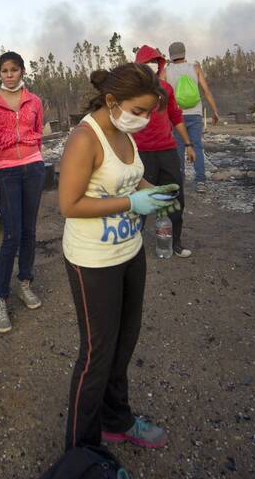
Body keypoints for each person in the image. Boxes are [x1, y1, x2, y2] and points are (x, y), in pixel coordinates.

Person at [58, 62, 180, 454]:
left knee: (124, 344)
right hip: (92, 261)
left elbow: (130, 176)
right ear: (112, 101)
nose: (144, 120)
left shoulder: (126, 132)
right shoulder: (85, 138)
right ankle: (81, 453)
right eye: (139, 110)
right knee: (97, 355)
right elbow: (69, 204)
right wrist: (132, 201)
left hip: (130, 251)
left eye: (149, 112)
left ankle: (117, 421)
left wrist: (154, 192)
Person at [0, 51, 45, 333]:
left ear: (22, 71)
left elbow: (38, 130)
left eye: (14, 70)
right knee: (11, 235)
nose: (9, 74)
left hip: (33, 167)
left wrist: (35, 158)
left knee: (29, 231)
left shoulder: (34, 101)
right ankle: (0, 298)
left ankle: (25, 283)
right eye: (4, 70)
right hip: (5, 171)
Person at [131, 45, 197, 258]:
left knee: (173, 195)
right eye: (146, 64)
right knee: (140, 197)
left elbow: (176, 118)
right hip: (141, 152)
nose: (151, 67)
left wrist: (188, 144)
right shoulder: (131, 91)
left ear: (159, 66)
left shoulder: (166, 89)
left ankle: (174, 242)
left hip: (167, 151)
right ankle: (133, 242)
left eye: (155, 63)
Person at [166, 41, 220, 191]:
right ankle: (200, 181)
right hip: (195, 114)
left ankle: (179, 181)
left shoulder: (166, 71)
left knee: (178, 148)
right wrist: (215, 111)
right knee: (196, 146)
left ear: (171, 55)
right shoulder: (195, 67)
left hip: (176, 117)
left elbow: (161, 95)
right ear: (184, 53)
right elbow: (206, 91)